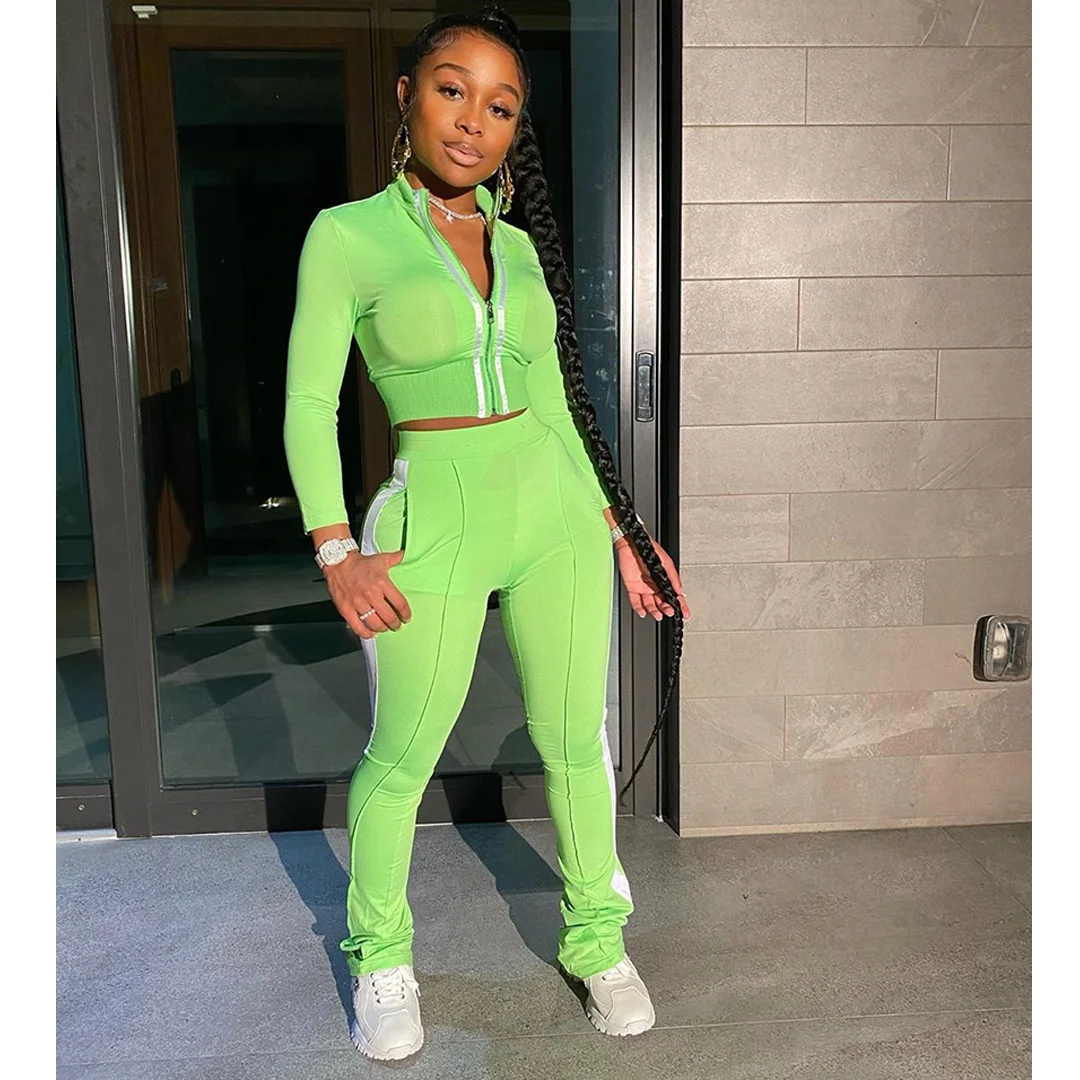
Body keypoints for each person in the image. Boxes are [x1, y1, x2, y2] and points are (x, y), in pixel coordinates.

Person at [284, 4, 690, 1063]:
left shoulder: (516, 245)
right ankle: (380, 955)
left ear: (516, 128)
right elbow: (309, 405)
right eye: (452, 90)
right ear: (408, 96)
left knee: (575, 740)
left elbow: (555, 400)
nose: (474, 121)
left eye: (501, 106)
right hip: (434, 514)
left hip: (554, 509)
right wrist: (336, 547)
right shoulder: (347, 235)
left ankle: (597, 939)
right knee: (402, 754)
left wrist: (622, 529)